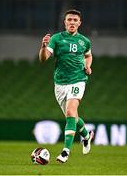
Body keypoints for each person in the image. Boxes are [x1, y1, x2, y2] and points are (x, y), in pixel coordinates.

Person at [39, 9, 94, 163]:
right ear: (65, 22)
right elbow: (44, 59)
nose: (72, 22)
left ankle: (65, 152)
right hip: (60, 83)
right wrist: (43, 47)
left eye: (75, 20)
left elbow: (88, 55)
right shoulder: (56, 39)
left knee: (70, 112)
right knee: (73, 117)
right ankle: (86, 136)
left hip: (78, 80)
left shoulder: (85, 41)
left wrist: (88, 66)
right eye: (69, 19)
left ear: (79, 23)